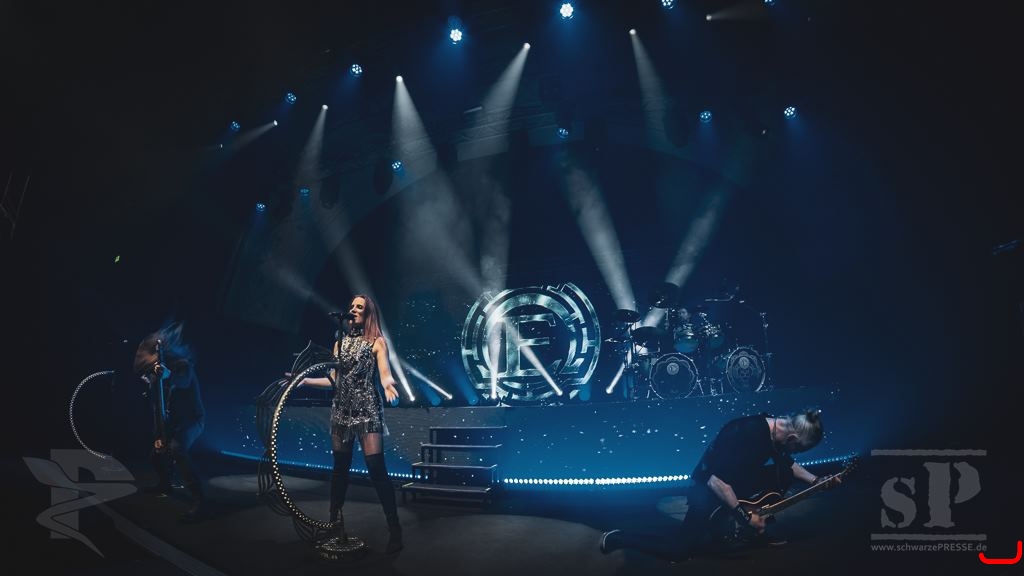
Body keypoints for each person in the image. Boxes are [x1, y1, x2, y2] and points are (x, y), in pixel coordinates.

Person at [599, 408, 836, 561]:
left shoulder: (778, 431)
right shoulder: (747, 433)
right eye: (798, 448)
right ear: (792, 438)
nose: (795, 452)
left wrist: (816, 481)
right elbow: (716, 481)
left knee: (783, 472)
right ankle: (619, 537)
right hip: (707, 487)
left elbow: (787, 463)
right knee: (678, 551)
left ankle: (754, 523)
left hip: (735, 480)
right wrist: (746, 517)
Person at [296, 294, 403, 554]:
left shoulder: (376, 342)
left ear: (368, 314)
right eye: (352, 306)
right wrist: (306, 380)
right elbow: (334, 380)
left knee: (376, 469)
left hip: (367, 408)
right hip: (342, 409)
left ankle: (395, 529)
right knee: (339, 469)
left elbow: (385, 374)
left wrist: (389, 386)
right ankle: (333, 523)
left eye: (359, 307)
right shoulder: (339, 344)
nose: (353, 310)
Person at [133, 322, 206, 522]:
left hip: (193, 420)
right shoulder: (154, 375)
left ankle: (199, 500)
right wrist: (159, 435)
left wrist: (168, 376)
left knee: (177, 448)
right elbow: (156, 407)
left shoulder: (183, 365)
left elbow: (183, 382)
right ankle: (165, 485)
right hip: (172, 422)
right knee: (156, 455)